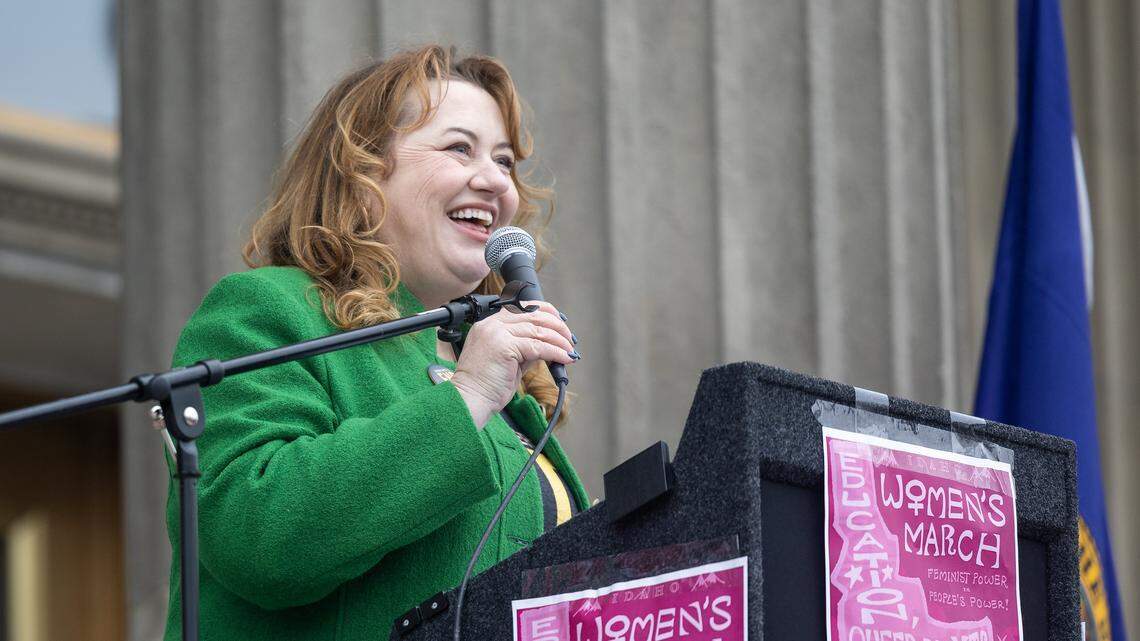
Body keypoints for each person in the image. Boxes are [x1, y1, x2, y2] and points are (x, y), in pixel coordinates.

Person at [162, 45, 586, 641]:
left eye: (505, 160)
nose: (496, 180)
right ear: (361, 175)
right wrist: (467, 394)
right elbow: (255, 536)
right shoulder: (270, 311)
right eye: (459, 148)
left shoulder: (501, 381)